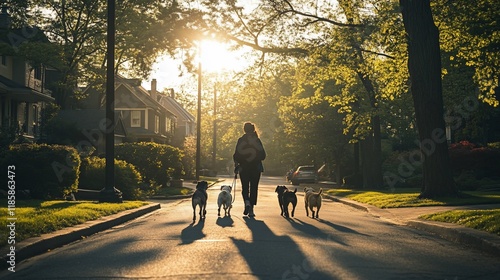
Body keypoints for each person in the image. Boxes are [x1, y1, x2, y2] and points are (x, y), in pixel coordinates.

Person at [233, 122, 266, 217]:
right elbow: (263, 155)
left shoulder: (241, 140)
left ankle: (246, 202)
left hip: (244, 168)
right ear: (253, 129)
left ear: (244, 130)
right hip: (256, 168)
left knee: (245, 188)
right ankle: (251, 209)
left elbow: (236, 155)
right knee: (253, 188)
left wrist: (237, 164)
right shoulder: (257, 140)